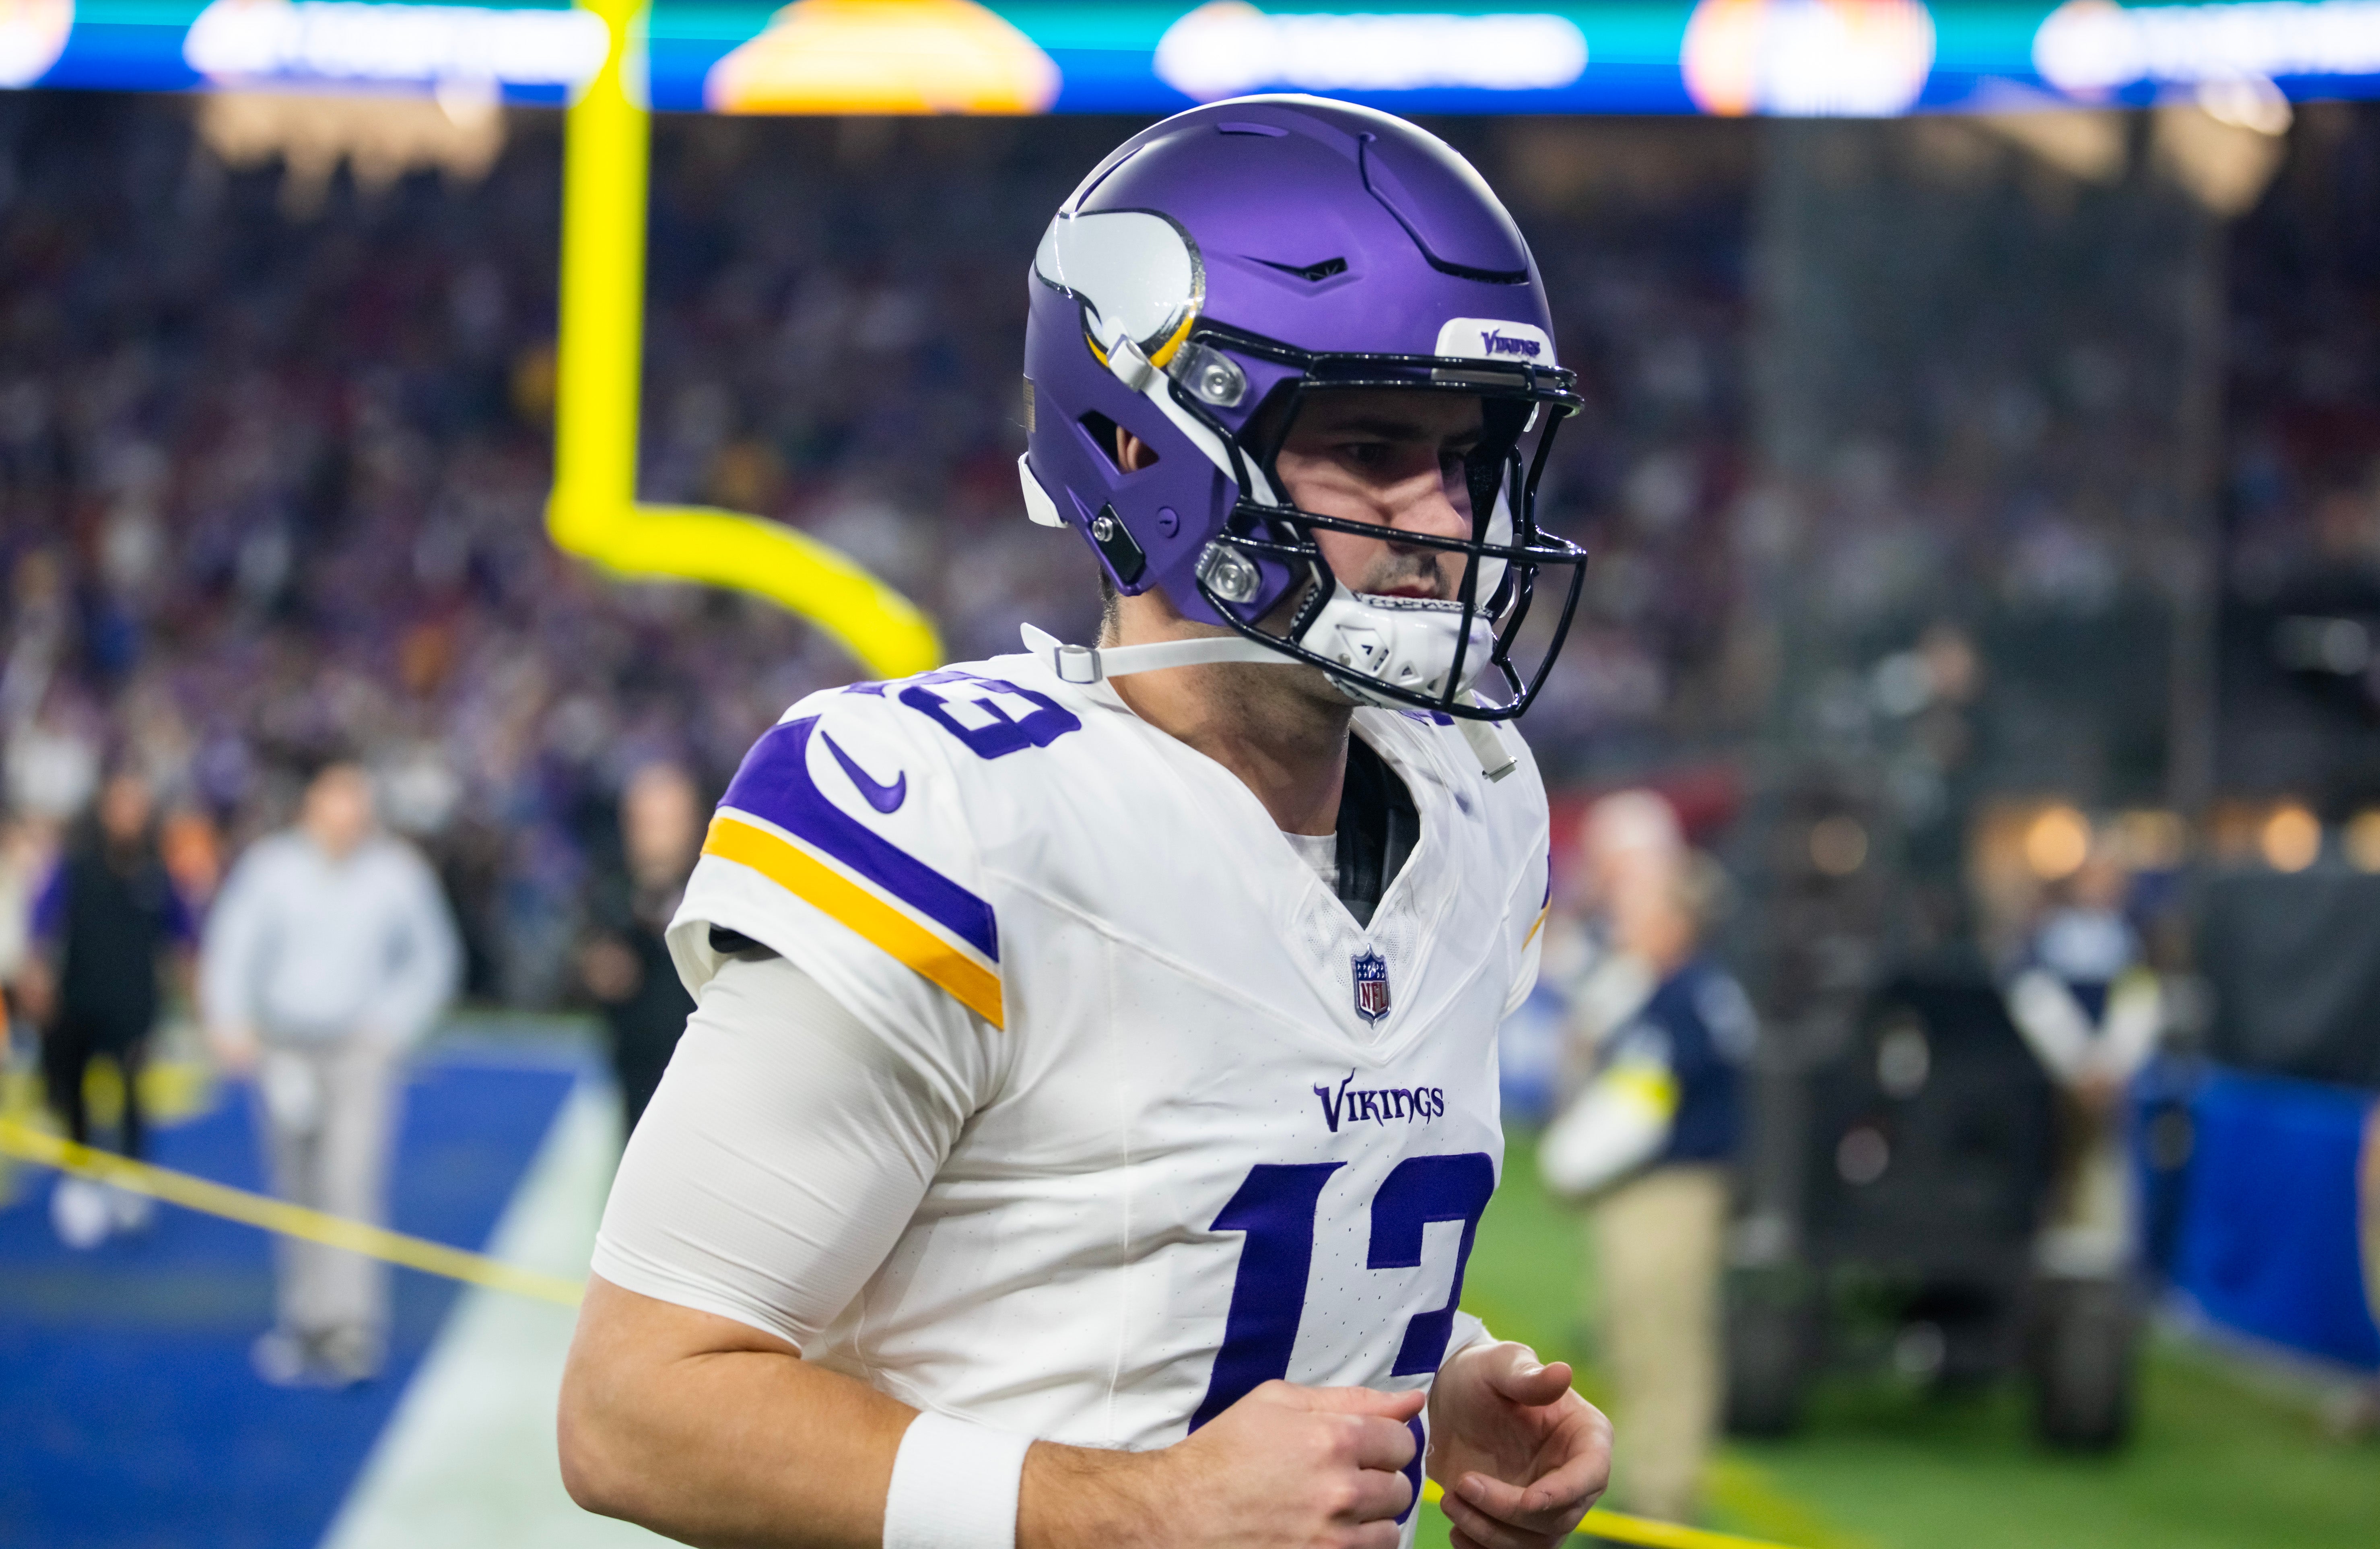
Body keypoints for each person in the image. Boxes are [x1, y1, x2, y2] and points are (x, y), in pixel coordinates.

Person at [559, 97, 1611, 1549]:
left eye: (1472, 453)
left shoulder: (1476, 796)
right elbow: (636, 1407)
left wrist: (1431, 1383)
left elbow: (1175, 1263)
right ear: (1142, 443)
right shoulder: (954, 812)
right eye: (1370, 447)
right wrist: (1123, 1510)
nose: (1448, 518)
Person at [200, 757, 462, 1387]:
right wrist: (229, 1020)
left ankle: (350, 1328)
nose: (351, 810)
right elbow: (232, 945)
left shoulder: (396, 873)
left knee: (350, 1183)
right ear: (312, 801)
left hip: (355, 1053)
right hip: (284, 1048)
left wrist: (391, 1030)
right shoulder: (271, 869)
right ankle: (304, 1321)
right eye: (339, 796)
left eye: (358, 797)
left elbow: (434, 959)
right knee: (294, 1187)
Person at [1538, 791, 1755, 1524]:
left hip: (1669, 1192)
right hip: (1650, 1191)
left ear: (1676, 921)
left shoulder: (1685, 998)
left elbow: (1637, 1110)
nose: (1629, 921)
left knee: (1665, 1345)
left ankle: (1662, 1505)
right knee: (1637, 1343)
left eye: (1644, 908)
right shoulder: (1668, 990)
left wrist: (1568, 1167)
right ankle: (1647, 1494)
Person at [21, 768, 193, 1248]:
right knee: (71, 1092)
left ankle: (131, 1182)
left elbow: (183, 940)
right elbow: (41, 922)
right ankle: (79, 1181)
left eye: (137, 805)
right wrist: (37, 977)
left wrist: (197, 1004)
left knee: (133, 1093)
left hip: (135, 1003)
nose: (128, 816)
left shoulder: (159, 875)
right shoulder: (74, 866)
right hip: (76, 998)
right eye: (120, 804)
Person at [2004, 855, 2160, 1281]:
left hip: (2113, 1074)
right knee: (2055, 1150)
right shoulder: (2047, 932)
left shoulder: (2132, 935)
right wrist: (2075, 1059)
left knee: (2111, 1158)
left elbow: (2141, 996)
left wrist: (2111, 1061)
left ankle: (2111, 1237)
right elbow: (2031, 991)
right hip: (2057, 1068)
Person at [575, 761, 702, 1132]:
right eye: (646, 823)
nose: (657, 838)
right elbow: (599, 975)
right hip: (635, 1086)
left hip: (710, 1084)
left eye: (668, 823)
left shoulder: (718, 896)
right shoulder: (609, 897)